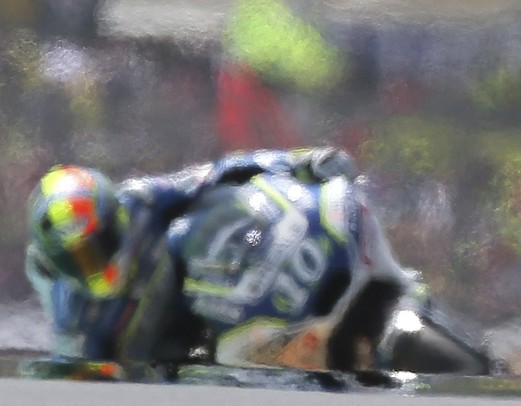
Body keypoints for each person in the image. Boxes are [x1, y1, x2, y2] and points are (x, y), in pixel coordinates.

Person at [24, 147, 359, 363]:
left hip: (221, 306)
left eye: (97, 247)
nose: (92, 264)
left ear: (114, 217)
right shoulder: (75, 317)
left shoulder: (142, 201)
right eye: (76, 259)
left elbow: (218, 173)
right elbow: (86, 381)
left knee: (200, 222)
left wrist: (301, 161)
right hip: (170, 369)